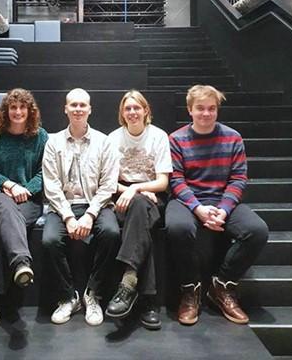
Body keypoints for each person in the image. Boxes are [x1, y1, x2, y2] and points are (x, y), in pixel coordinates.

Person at [166, 85, 268, 325]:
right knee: (177, 227)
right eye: (200, 108)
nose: (206, 113)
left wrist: (224, 209)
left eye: (211, 108)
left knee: (257, 230)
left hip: (222, 200)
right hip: (188, 200)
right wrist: (198, 208)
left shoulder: (233, 137)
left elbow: (238, 178)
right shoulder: (176, 139)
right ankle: (190, 289)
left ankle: (221, 285)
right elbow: (176, 180)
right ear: (190, 110)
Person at [42, 88, 120, 326]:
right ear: (65, 109)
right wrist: (68, 217)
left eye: (82, 105)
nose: (78, 109)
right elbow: (51, 185)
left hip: (96, 204)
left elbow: (108, 185)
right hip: (63, 206)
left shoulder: (104, 142)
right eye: (73, 105)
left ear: (90, 109)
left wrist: (89, 214)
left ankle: (92, 293)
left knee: (111, 233)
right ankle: (68, 297)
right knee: (49, 240)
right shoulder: (53, 142)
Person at [0, 89, 48, 330]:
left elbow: (45, 172)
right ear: (6, 111)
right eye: (13, 108)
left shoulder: (41, 137)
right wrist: (9, 185)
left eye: (22, 107)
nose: (18, 112)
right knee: (7, 208)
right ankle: (21, 262)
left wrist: (25, 190)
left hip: (29, 201)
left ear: (30, 111)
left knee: (10, 229)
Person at [105, 90, 172, 330]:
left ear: (146, 111)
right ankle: (149, 303)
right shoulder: (113, 138)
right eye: (128, 108)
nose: (132, 112)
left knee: (141, 207)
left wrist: (138, 189)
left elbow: (162, 182)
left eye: (137, 108)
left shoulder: (159, 136)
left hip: (153, 196)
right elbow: (108, 181)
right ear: (122, 113)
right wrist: (131, 191)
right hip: (123, 196)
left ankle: (128, 282)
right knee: (144, 227)